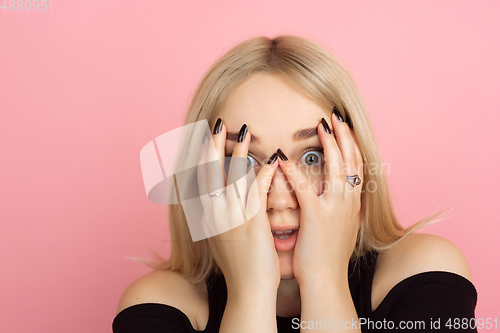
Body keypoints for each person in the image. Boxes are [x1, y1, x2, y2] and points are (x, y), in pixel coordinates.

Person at [112, 35, 477, 333]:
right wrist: (250, 293)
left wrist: (323, 278)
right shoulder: (158, 307)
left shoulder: (426, 272)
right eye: (243, 161)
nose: (279, 199)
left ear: (356, 165)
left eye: (312, 158)